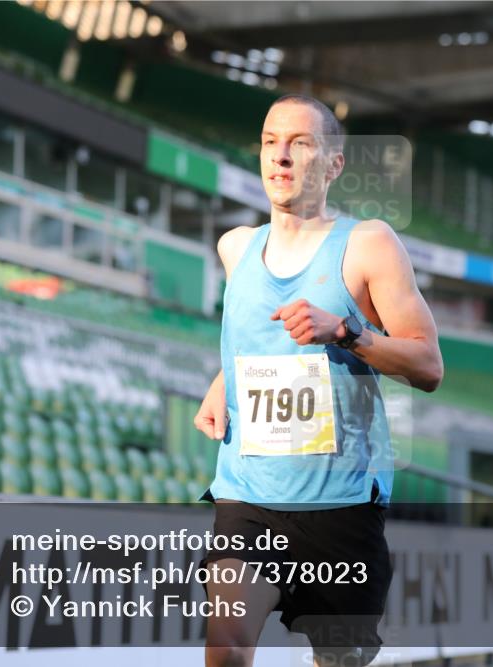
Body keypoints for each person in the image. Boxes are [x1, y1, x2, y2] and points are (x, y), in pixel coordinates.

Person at [192, 94, 443, 667]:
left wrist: (347, 332)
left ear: (332, 165)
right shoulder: (237, 247)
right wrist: (223, 380)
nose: (280, 157)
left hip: (341, 504)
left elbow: (428, 365)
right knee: (227, 646)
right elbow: (256, 338)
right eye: (269, 141)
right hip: (249, 495)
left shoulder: (368, 243)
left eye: (300, 144)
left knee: (340, 660)